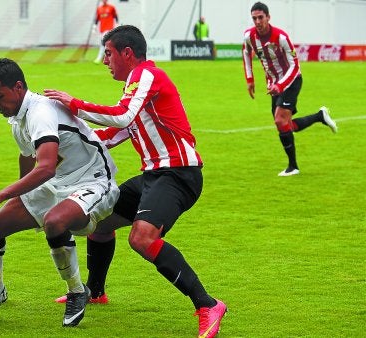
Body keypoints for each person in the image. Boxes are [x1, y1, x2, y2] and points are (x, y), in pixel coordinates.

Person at [44, 25, 227, 338]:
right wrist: (63, 142)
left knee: (141, 238)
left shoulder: (146, 75)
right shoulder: (136, 83)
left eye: (109, 53)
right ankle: (96, 291)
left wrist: (74, 103)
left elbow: (122, 117)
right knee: (99, 224)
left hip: (178, 174)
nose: (105, 61)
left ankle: (207, 304)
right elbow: (117, 132)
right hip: (154, 175)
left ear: (127, 53)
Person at [0, 58, 119, 327]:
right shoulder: (18, 119)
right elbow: (28, 157)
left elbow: (46, 167)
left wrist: (0, 195)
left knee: (55, 221)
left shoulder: (41, 112)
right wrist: (18, 198)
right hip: (57, 184)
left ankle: (76, 291)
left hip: (92, 180)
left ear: (17, 87)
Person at [242, 2, 337, 176]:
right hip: (273, 85)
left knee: (279, 120)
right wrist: (250, 79)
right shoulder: (249, 36)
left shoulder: (281, 37)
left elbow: (295, 66)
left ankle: (293, 167)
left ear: (268, 17)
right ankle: (319, 116)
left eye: (260, 17)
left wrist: (280, 85)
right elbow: (246, 53)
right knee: (286, 125)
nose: (257, 21)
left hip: (292, 81)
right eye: (254, 18)